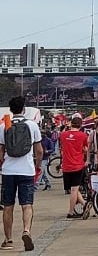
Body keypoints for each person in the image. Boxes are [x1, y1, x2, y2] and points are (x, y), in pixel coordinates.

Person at [0, 96, 43, 251]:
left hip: (8, 171)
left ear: (10, 110)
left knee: (8, 206)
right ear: (24, 109)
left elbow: (1, 151)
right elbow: (39, 150)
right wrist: (38, 166)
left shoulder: (5, 125)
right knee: (27, 204)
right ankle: (26, 230)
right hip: (26, 170)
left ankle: (8, 240)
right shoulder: (32, 125)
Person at [60, 116, 89, 219]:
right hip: (78, 165)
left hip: (66, 165)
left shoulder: (63, 135)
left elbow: (62, 145)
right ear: (81, 125)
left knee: (72, 189)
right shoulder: (83, 135)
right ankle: (72, 211)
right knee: (74, 189)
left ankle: (83, 204)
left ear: (70, 124)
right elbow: (86, 148)